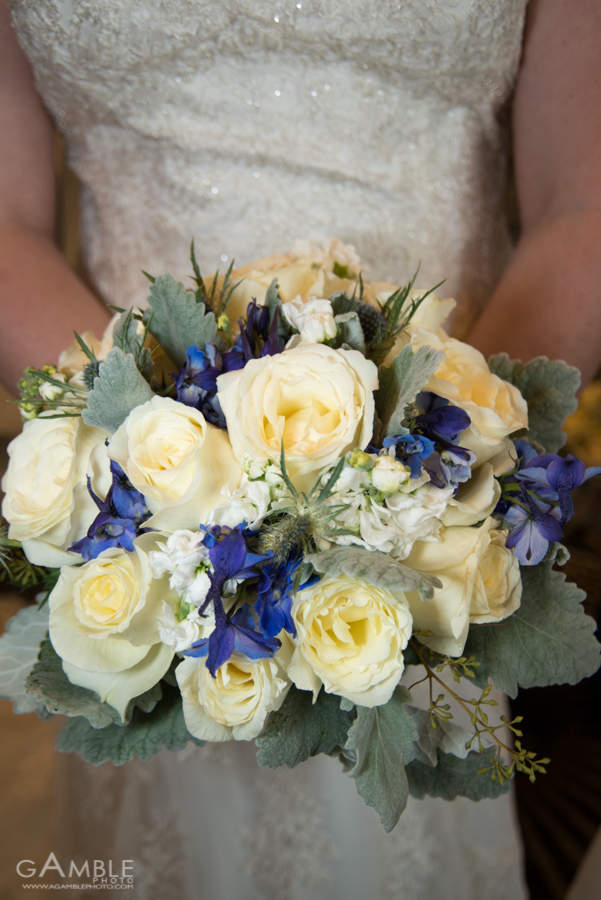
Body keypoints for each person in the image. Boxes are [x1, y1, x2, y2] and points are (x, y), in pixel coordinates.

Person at [1, 1, 600, 898]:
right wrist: (163, 469)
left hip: (436, 496)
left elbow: (580, 209)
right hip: (142, 508)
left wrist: (429, 472)